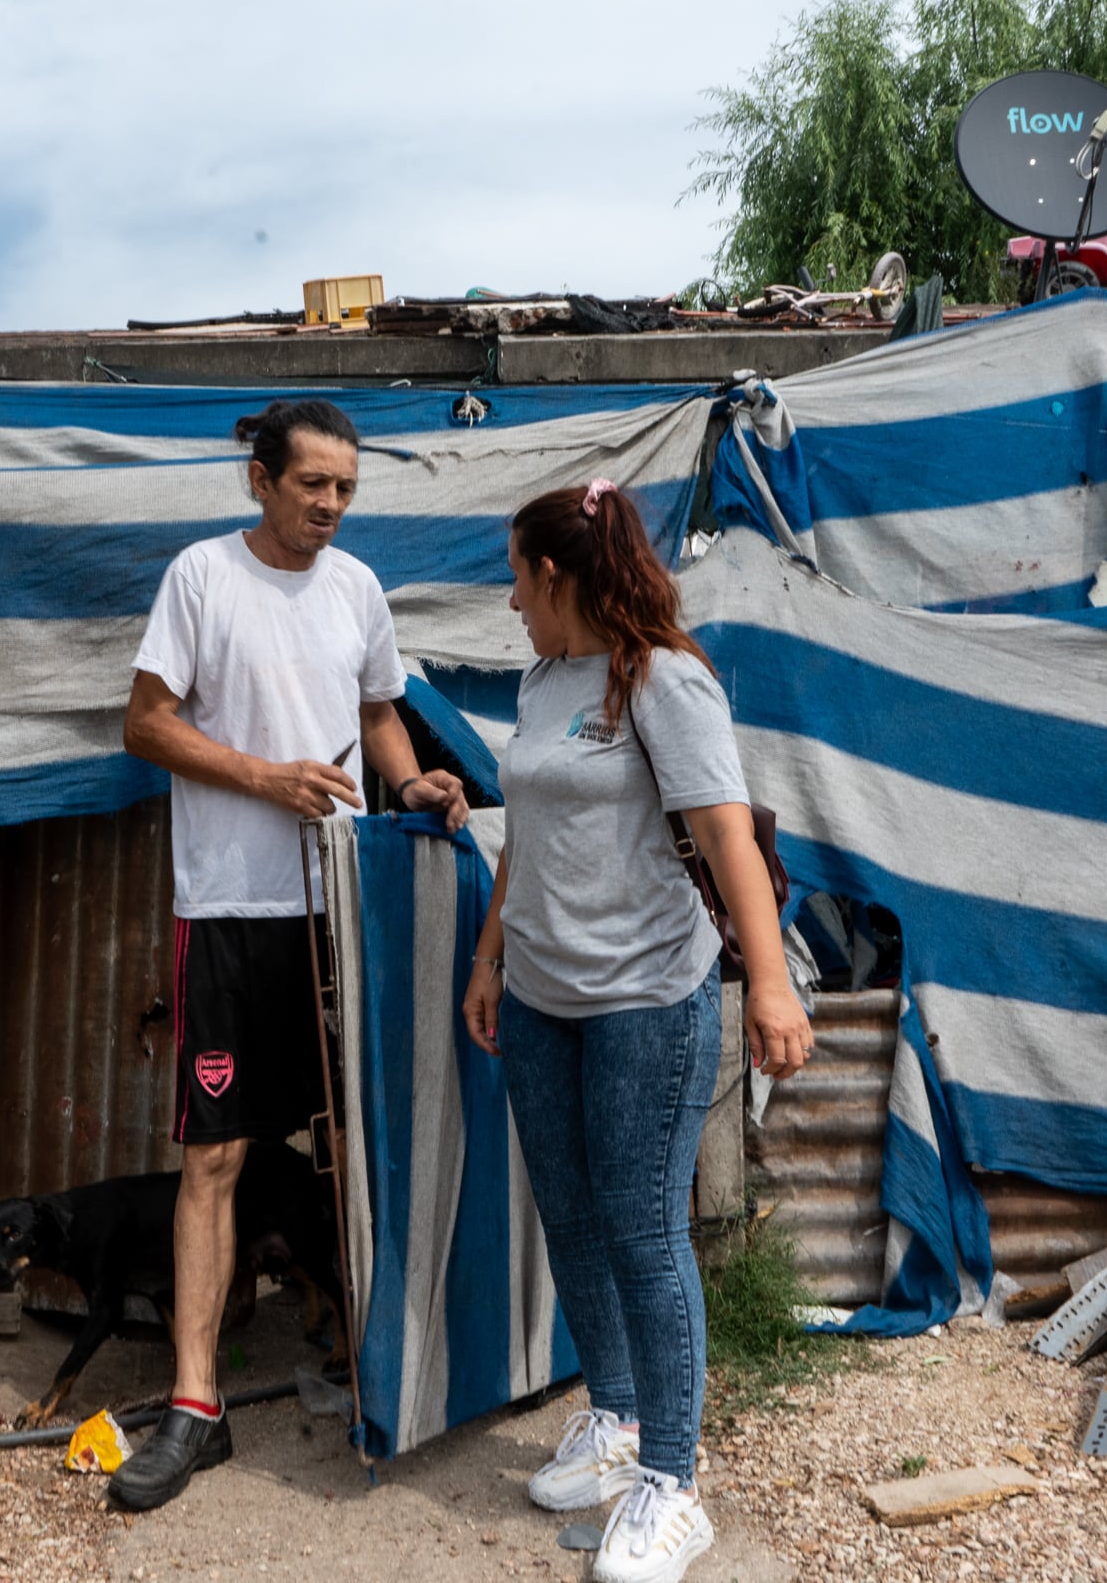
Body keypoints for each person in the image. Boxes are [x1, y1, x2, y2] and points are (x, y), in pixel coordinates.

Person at [110, 397, 471, 1512]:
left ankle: (375, 1366)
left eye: (345, 488)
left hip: (339, 904)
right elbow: (144, 723)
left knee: (354, 1141)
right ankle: (195, 1404)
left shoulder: (359, 590)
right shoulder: (202, 577)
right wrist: (268, 777)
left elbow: (379, 717)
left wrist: (408, 782)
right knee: (214, 1157)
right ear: (260, 480)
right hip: (226, 907)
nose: (330, 504)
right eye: (312, 483)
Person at [462, 478, 813, 1583]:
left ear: (553, 574)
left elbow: (726, 834)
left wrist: (770, 983)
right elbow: (524, 825)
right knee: (569, 1214)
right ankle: (614, 1421)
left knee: (644, 1229)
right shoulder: (542, 677)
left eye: (516, 576)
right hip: (541, 996)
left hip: (646, 1000)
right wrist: (490, 953)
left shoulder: (665, 678)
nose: (510, 598)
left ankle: (672, 1479)